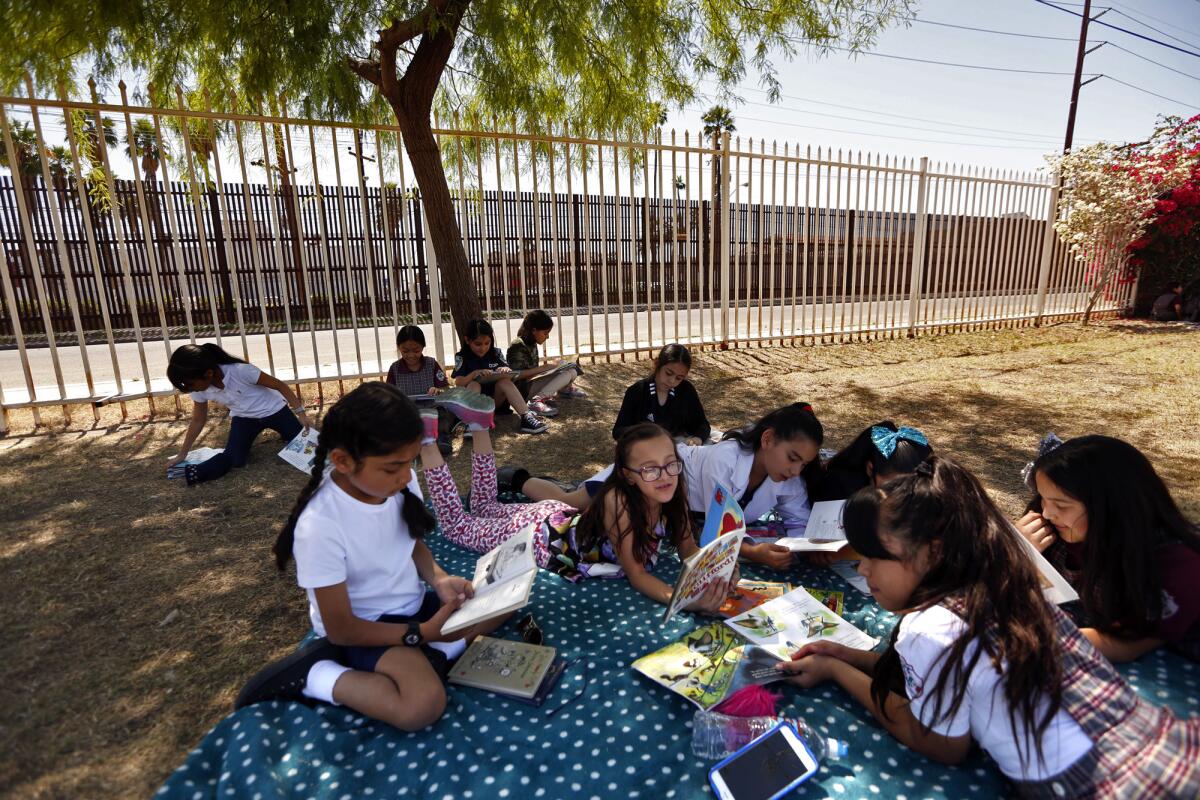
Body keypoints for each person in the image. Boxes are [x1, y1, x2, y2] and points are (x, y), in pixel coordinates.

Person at [778, 457, 1200, 797]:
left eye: (873, 555)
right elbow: (958, 673)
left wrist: (838, 672)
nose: (862, 567)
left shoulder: (927, 628)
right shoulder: (1003, 583)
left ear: (933, 551)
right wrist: (845, 654)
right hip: (1164, 743)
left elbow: (940, 744)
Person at [234, 383, 501, 729]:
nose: (406, 476)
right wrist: (419, 634)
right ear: (343, 461)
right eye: (393, 468)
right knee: (423, 705)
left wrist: (439, 578)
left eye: (410, 463)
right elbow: (342, 627)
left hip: (414, 612)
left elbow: (410, 541)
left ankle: (433, 654)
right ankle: (317, 674)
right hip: (366, 630)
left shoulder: (392, 482)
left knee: (500, 603)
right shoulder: (320, 524)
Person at [422, 405, 733, 610]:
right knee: (455, 525)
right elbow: (636, 575)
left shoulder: (672, 491)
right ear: (626, 475)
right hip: (537, 536)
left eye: (670, 465)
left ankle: (478, 424)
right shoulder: (620, 503)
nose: (664, 476)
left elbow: (688, 549)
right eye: (650, 469)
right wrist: (685, 601)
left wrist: (720, 567)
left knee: (485, 505)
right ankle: (424, 439)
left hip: (557, 517)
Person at [521, 402, 825, 571]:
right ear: (768, 439)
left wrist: (800, 548)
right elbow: (717, 532)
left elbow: (799, 524)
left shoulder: (791, 479)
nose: (796, 470)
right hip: (652, 474)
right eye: (792, 458)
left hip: (672, 503)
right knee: (570, 503)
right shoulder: (725, 459)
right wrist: (756, 553)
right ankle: (519, 479)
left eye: (804, 464)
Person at [1016, 435, 1200, 663]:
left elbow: (1122, 643)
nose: (1047, 513)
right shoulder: (1053, 531)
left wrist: (1020, 635)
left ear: (1111, 506)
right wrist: (1017, 551)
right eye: (1043, 499)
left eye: (1061, 505)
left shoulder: (1178, 564)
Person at [165, 343, 314, 485]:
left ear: (208, 373)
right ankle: (196, 473)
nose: (189, 389)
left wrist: (301, 414)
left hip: (275, 411)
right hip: (244, 419)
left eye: (190, 384)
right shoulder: (199, 390)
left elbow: (280, 385)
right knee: (235, 459)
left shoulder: (241, 371)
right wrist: (182, 454)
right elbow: (198, 420)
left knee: (306, 447)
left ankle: (286, 433)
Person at [808, 422, 933, 566]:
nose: (898, 493)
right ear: (870, 469)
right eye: (891, 487)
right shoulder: (840, 485)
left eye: (907, 487)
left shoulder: (924, 490)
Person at [451, 318, 548, 434]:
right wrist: (474, 374)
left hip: (495, 402)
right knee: (473, 384)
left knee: (505, 382)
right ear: (467, 340)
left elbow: (511, 375)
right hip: (474, 404)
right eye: (478, 344)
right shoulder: (462, 356)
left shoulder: (496, 353)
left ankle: (526, 417)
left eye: (487, 343)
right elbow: (459, 382)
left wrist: (506, 370)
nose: (483, 348)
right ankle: (471, 423)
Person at [612, 343, 711, 444]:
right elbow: (618, 431)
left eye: (679, 378)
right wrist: (643, 434)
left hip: (680, 446)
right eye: (668, 373)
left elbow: (703, 425)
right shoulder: (637, 391)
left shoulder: (686, 390)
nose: (672, 381)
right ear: (657, 364)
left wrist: (697, 439)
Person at [504, 309, 586, 419]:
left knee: (571, 370)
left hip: (531, 383)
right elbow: (515, 375)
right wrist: (543, 368)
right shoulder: (517, 345)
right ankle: (536, 401)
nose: (547, 337)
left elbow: (533, 372)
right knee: (565, 374)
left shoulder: (532, 343)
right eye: (545, 333)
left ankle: (564, 390)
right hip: (522, 391)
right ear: (534, 330)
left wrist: (554, 366)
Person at [385, 325, 454, 456]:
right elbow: (389, 394)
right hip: (408, 411)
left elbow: (445, 388)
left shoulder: (431, 363)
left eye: (416, 350)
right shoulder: (395, 369)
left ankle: (442, 440)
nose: (411, 355)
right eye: (405, 351)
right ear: (399, 348)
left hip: (432, 408)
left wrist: (437, 390)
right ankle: (409, 444)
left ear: (423, 347)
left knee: (443, 414)